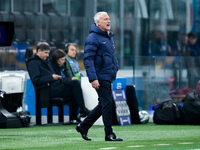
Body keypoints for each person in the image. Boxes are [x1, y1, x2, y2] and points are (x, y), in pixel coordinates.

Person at [75, 11, 123, 141]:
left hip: (107, 75)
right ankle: (109, 134)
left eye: (109, 19)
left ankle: (83, 126)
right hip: (100, 76)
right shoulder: (93, 38)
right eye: (105, 19)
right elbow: (88, 59)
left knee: (104, 103)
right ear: (98, 23)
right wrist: (93, 78)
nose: (109, 21)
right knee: (107, 103)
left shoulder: (108, 36)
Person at [27, 42, 90, 124]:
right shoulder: (33, 63)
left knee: (74, 85)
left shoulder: (45, 61)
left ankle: (75, 118)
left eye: (48, 53)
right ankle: (82, 110)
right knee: (75, 85)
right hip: (47, 89)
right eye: (45, 53)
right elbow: (36, 80)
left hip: (55, 85)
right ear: (39, 51)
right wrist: (52, 77)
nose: (47, 55)